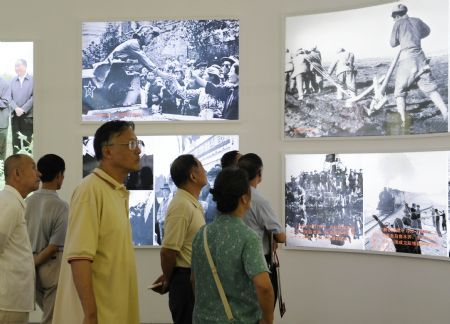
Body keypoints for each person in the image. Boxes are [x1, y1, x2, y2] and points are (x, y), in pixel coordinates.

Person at [52, 121, 142, 324]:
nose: (137, 150)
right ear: (107, 151)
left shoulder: (116, 191)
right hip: (100, 314)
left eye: (138, 143)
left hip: (115, 309)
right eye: (130, 144)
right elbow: (80, 258)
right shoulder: (90, 190)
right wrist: (90, 315)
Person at [191, 167, 274, 323]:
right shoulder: (248, 237)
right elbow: (264, 287)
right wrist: (268, 320)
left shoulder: (201, 234)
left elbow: (194, 279)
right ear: (244, 198)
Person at [153, 154, 207, 324]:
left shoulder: (192, 203)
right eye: (201, 167)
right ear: (193, 175)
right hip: (184, 280)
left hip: (193, 278)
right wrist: (169, 279)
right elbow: (168, 252)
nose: (205, 170)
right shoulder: (181, 205)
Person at [238, 153, 286, 307]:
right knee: (263, 308)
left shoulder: (231, 197)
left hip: (236, 262)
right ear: (259, 174)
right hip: (259, 262)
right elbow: (281, 236)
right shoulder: (259, 201)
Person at [24, 154, 68, 324]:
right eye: (62, 174)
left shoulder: (26, 202)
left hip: (29, 268)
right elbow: (53, 246)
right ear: (58, 176)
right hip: (51, 268)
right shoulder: (62, 206)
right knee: (52, 318)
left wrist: (29, 264)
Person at [390, 3, 448, 127]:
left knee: (399, 91)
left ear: (396, 16)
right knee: (430, 88)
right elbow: (427, 31)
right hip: (420, 57)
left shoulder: (398, 23)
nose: (393, 19)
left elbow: (393, 43)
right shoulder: (417, 21)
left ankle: (403, 120)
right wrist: (415, 35)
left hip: (406, 59)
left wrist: (403, 37)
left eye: (393, 17)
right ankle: (445, 112)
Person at [0, 154, 41, 324]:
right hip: (7, 302)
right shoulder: (9, 202)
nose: (39, 174)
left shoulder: (12, 201)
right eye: (33, 168)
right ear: (17, 174)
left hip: (12, 301)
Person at [92, 27, 160, 88]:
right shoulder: (134, 44)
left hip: (115, 70)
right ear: (144, 35)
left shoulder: (137, 45)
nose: (151, 41)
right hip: (109, 71)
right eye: (151, 38)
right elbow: (146, 61)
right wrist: (160, 73)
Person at [9, 59, 33, 154]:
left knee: (27, 143)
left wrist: (23, 109)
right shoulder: (12, 81)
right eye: (16, 66)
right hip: (15, 116)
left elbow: (34, 96)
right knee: (16, 143)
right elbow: (8, 97)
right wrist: (16, 108)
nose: (17, 68)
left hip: (28, 117)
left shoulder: (33, 80)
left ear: (25, 66)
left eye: (19, 65)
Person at [0, 77, 10, 161]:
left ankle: (1, 170)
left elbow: (5, 101)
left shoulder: (4, 83)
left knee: (1, 150)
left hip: (1, 124)